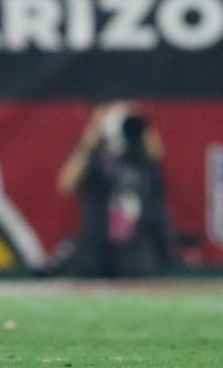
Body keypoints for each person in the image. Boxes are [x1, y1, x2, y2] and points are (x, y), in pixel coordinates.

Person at [56, 102, 180, 277]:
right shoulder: (92, 152)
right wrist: (91, 138)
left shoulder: (138, 151)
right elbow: (67, 184)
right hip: (98, 245)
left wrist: (136, 124)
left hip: (137, 248)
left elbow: (156, 153)